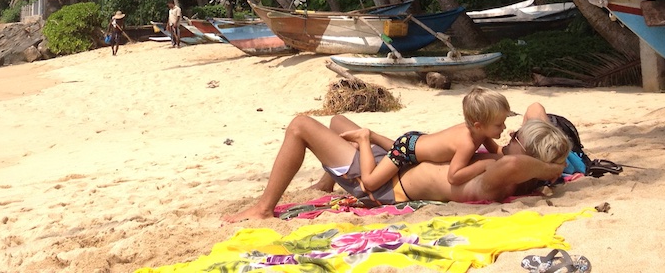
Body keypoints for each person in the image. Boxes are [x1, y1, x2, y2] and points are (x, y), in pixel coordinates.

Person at [223, 101, 570, 221]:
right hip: (397, 165)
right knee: (338, 122)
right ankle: (328, 179)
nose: (509, 135)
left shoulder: (500, 175)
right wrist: (550, 156)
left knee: (301, 125)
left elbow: (514, 164)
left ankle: (264, 207)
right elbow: (536, 110)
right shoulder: (517, 163)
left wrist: (552, 168)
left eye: (516, 138)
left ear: (528, 158)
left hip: (382, 187)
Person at [352, 86, 514, 192]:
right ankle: (364, 138)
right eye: (499, 124)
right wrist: (483, 164)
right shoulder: (467, 143)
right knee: (371, 183)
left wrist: (513, 153)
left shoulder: (480, 132)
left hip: (416, 141)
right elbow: (454, 176)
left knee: (404, 148)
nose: (504, 128)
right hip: (407, 149)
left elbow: (496, 151)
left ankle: (375, 137)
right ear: (479, 125)